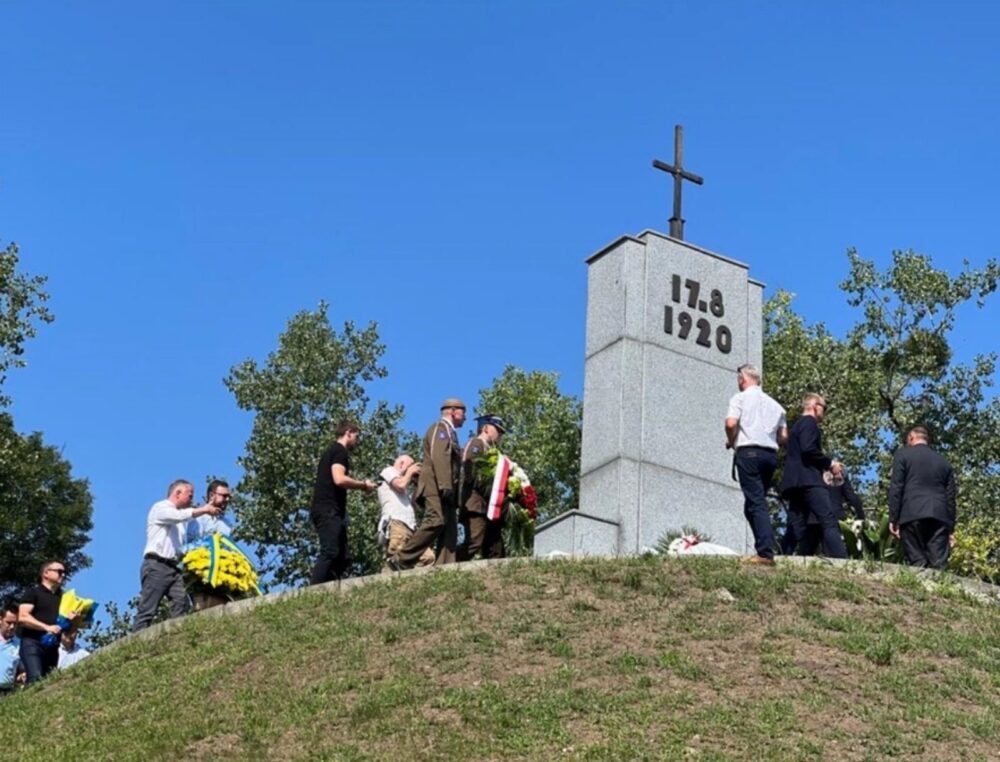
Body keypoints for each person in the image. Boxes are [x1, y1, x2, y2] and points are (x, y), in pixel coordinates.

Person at [133, 479, 222, 631]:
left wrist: (209, 509)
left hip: (174, 568)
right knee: (148, 609)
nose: (192, 499)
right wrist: (204, 509)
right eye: (190, 495)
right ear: (178, 493)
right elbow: (179, 516)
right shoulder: (160, 508)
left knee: (181, 603)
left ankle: (178, 638)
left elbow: (191, 521)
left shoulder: (182, 520)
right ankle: (134, 644)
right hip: (157, 566)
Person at [388, 398, 466, 570]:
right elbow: (440, 457)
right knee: (436, 520)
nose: (465, 417)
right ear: (452, 411)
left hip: (447, 489)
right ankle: (402, 558)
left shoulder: (450, 432)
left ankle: (445, 567)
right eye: (462, 412)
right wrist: (445, 485)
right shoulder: (440, 428)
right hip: (436, 485)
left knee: (449, 528)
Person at [724, 364, 788, 565]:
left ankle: (765, 553)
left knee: (756, 502)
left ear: (742, 379)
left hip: (748, 452)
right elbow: (784, 436)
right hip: (769, 455)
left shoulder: (739, 398)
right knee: (752, 504)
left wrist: (731, 440)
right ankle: (763, 545)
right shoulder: (776, 405)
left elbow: (731, 423)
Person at [779, 394, 848, 558]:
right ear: (815, 406)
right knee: (828, 519)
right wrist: (830, 464)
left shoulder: (796, 426)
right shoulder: (809, 423)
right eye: (824, 408)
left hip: (795, 483)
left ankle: (783, 556)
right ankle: (842, 560)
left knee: (795, 524)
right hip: (809, 480)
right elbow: (808, 449)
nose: (824, 412)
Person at [309, 421, 376, 585]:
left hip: (331, 511)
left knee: (343, 557)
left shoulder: (331, 451)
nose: (357, 441)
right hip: (328, 510)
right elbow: (339, 479)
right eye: (357, 436)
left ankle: (329, 590)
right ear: (349, 432)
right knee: (330, 551)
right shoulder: (340, 451)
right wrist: (363, 485)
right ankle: (311, 592)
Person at [888, 425, 957, 570]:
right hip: (939, 515)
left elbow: (896, 487)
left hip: (912, 513)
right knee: (938, 565)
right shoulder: (944, 462)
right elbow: (951, 497)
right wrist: (950, 528)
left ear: (911, 437)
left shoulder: (902, 455)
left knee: (917, 562)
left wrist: (893, 518)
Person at [460, 414, 508, 561]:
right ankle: (451, 566)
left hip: (488, 505)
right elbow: (470, 469)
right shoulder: (476, 444)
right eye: (497, 430)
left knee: (494, 545)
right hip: (474, 503)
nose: (500, 435)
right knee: (474, 540)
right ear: (486, 428)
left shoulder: (492, 450)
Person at [18, 561, 74, 683]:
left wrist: (72, 619)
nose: (63, 575)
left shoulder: (64, 598)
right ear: (46, 573)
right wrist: (46, 627)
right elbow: (23, 617)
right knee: (35, 679)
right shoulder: (33, 593)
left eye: (64, 572)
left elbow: (67, 627)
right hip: (33, 643)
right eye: (59, 571)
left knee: (49, 682)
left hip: (53, 646)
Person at [377, 455, 434, 570]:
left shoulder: (405, 484)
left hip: (410, 528)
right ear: (401, 464)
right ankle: (386, 582)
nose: (412, 470)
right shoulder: (389, 471)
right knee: (395, 559)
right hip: (397, 523)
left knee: (428, 557)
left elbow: (414, 505)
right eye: (410, 466)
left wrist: (419, 483)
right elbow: (400, 485)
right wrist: (411, 472)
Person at [798, 469, 866, 556]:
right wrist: (861, 516)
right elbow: (852, 497)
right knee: (833, 552)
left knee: (805, 553)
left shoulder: (814, 473)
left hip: (814, 516)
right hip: (834, 516)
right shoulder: (839, 474)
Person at [1, 603, 23, 694]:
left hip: (6, 692)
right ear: (0, 620)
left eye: (15, 623)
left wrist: (22, 675)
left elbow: (22, 670)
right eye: (9, 623)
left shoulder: (20, 645)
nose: (12, 627)